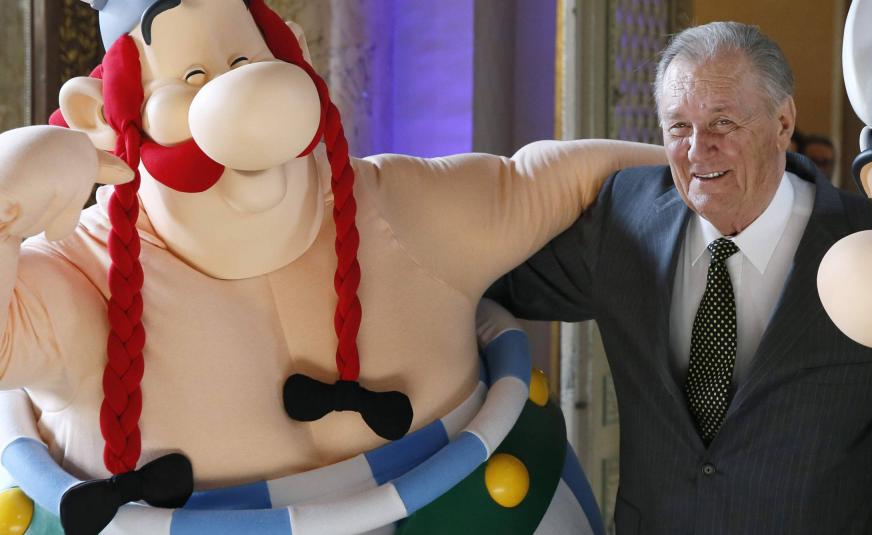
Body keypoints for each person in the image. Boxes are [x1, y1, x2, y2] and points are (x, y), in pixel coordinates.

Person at [0, 0, 663, 532]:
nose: (238, 91)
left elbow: (547, 182)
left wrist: (704, 165)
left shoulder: (404, 206)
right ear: (99, 114)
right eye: (193, 77)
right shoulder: (82, 276)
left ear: (293, 54)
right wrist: (6, 196)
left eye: (245, 60)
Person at [489, 22, 872, 534]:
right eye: (678, 126)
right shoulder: (624, 220)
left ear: (783, 122)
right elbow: (485, 283)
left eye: (723, 123)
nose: (697, 149)